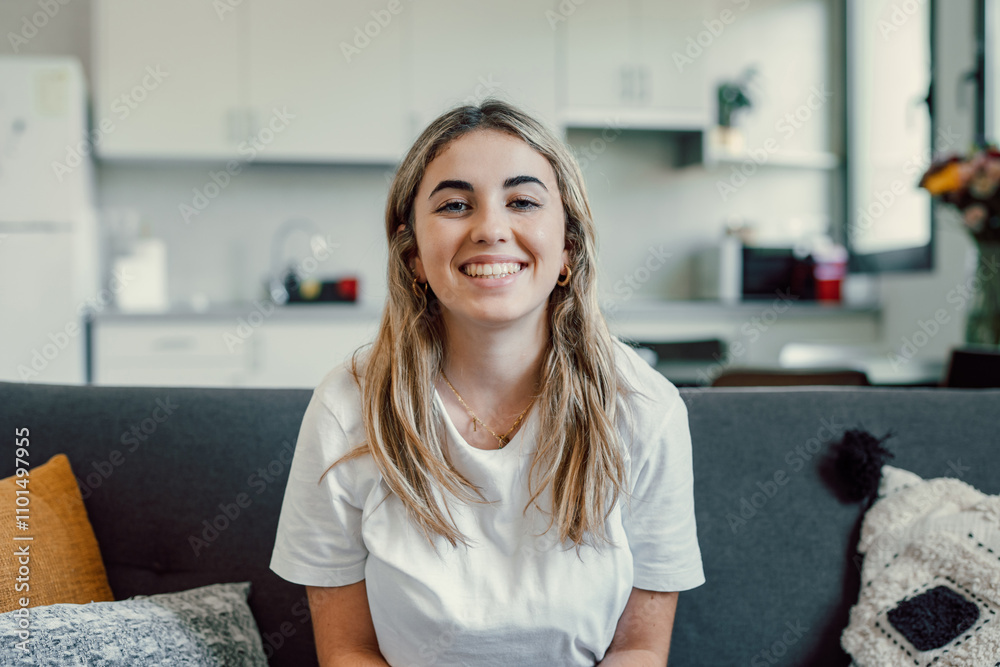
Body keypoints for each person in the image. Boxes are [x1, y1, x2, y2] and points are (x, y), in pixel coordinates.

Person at [269, 99, 705, 666]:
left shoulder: (647, 408)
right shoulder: (345, 407)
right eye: (455, 205)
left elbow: (642, 649)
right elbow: (347, 650)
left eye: (522, 201)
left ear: (568, 245)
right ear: (414, 256)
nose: (491, 229)